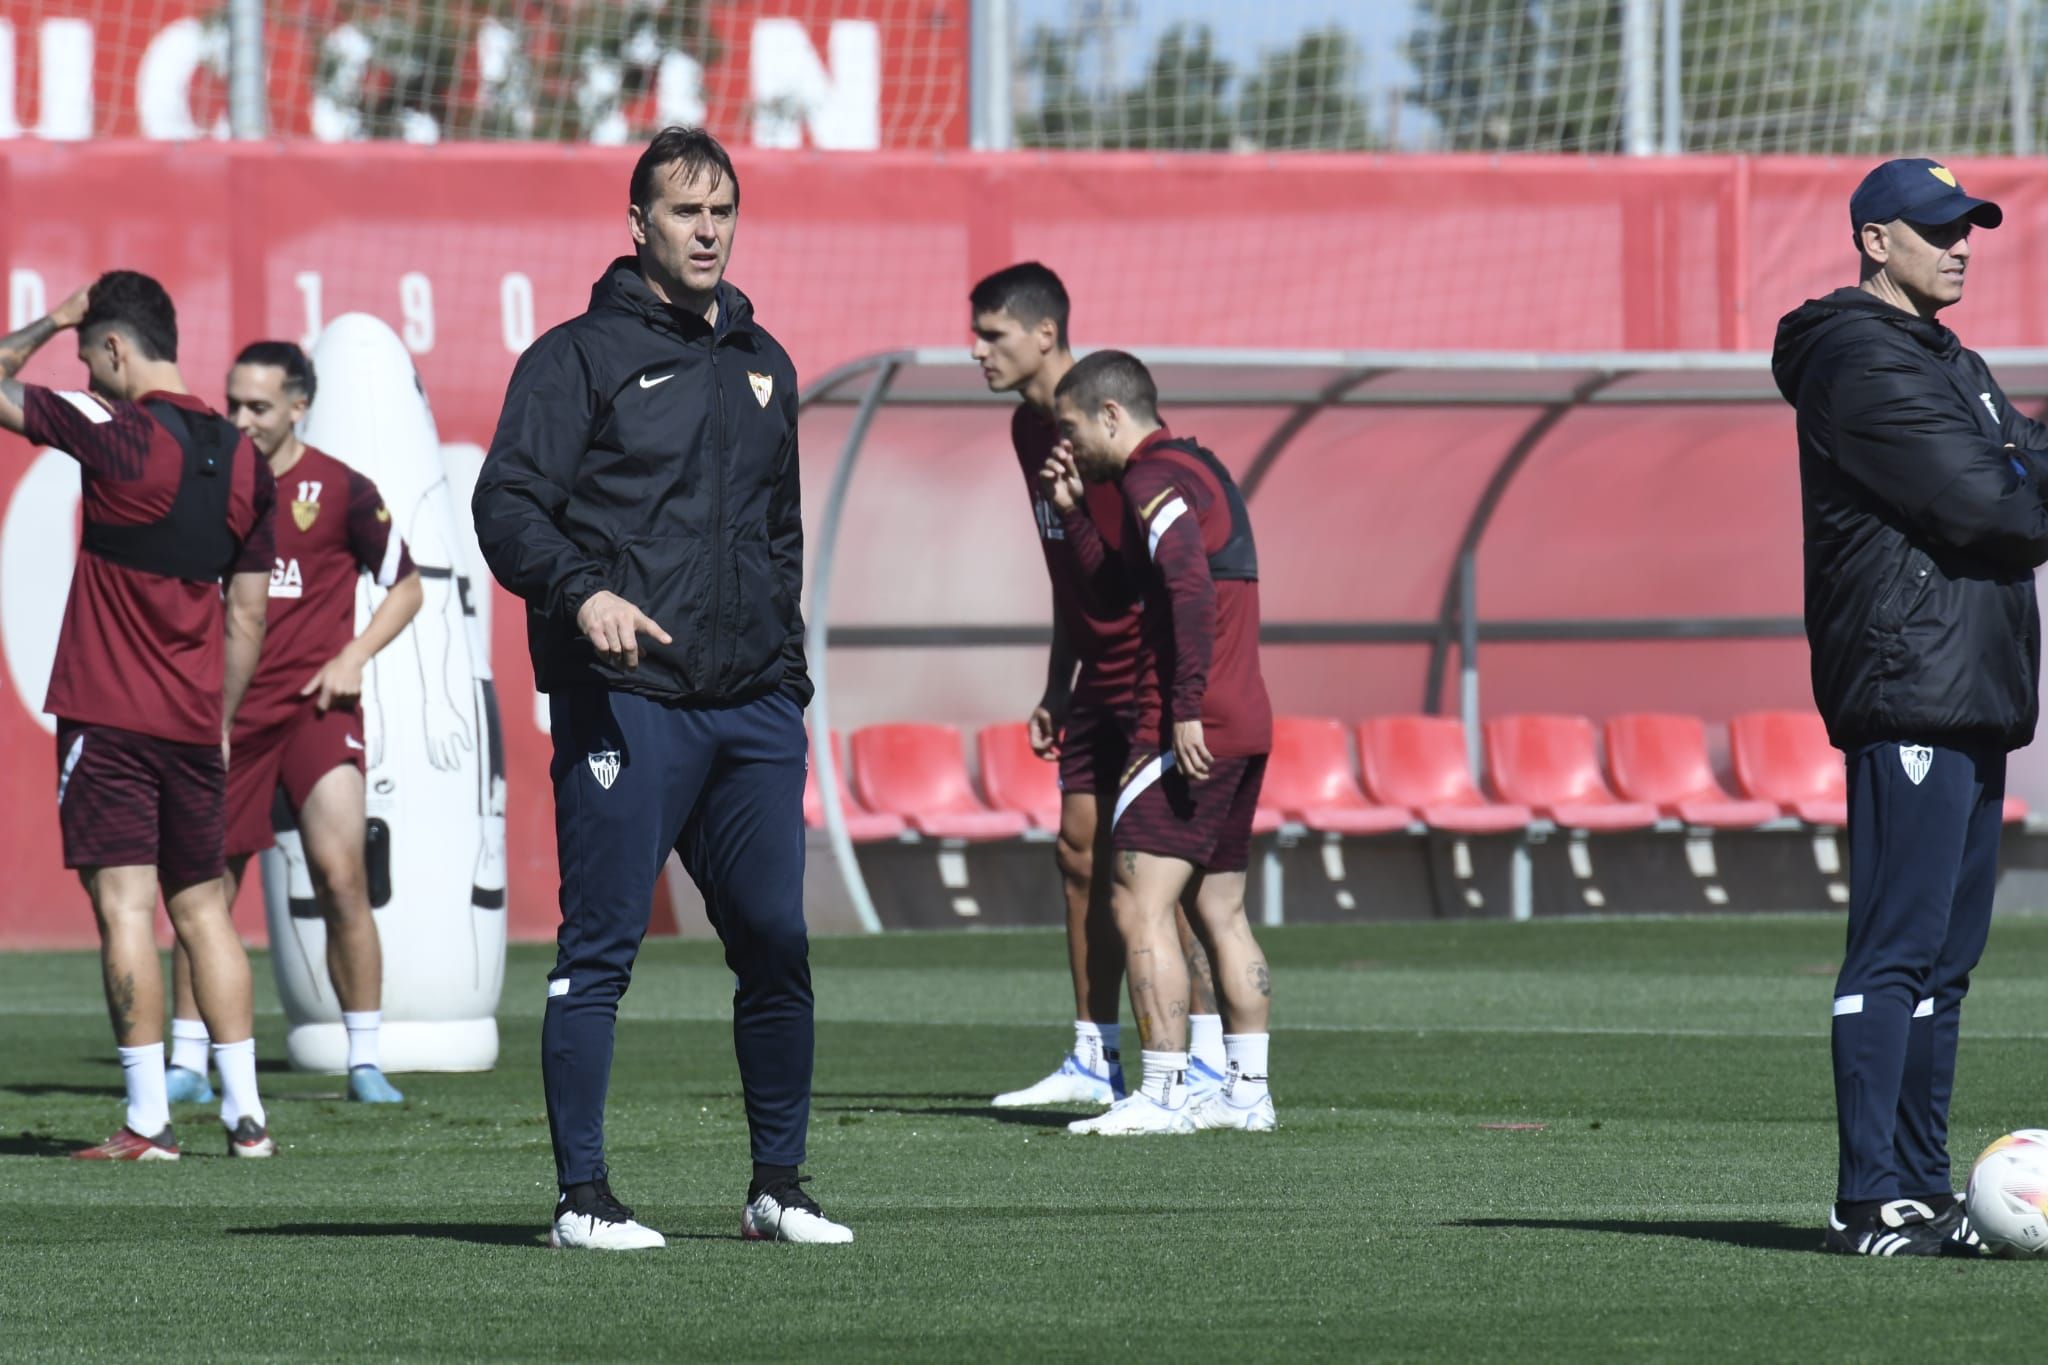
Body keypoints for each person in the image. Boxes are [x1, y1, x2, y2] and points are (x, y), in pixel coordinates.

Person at [473, 126, 848, 1249]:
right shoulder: (575, 357)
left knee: (776, 943)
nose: (706, 229)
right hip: (626, 701)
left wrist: (784, 679)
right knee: (599, 952)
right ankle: (580, 1201)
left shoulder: (764, 362)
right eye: (684, 211)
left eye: (721, 209)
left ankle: (777, 1187)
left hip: (749, 709)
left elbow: (779, 535)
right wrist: (579, 594)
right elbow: (506, 506)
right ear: (635, 223)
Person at [1773, 157, 2048, 1256]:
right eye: (1935, 229)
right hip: (1909, 686)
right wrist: (2014, 474)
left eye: (1968, 227)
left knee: (1943, 963)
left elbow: (2023, 461)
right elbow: (1992, 508)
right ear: (1872, 240)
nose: (1959, 244)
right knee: (1893, 955)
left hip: (1967, 686)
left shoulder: (1951, 362)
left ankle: (1923, 1190)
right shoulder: (1856, 358)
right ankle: (1865, 1195)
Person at [0, 271, 278, 1159]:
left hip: (109, 721)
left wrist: (57, 315)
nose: (86, 371)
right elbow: (247, 616)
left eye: (89, 356)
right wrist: (221, 716)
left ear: (114, 349)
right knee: (204, 912)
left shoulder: (112, 433)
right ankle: (247, 1119)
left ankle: (150, 1121)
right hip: (197, 726)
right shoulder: (246, 458)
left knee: (125, 909)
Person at [970, 263, 1231, 1110]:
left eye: (992, 335)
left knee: (1157, 875)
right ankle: (1093, 1052)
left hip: (1145, 674)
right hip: (1090, 677)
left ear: (1045, 334)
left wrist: (1180, 692)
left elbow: (1151, 573)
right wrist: (1057, 678)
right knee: (1077, 854)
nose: (977, 351)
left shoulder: (1115, 433)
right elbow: (1066, 564)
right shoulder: (1024, 433)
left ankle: (1206, 1057)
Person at [161, 342, 422, 1108]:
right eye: (232, 402)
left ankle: (365, 1057)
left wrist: (353, 655)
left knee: (342, 875)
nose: (239, 418)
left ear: (298, 407)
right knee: (204, 890)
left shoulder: (341, 489)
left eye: (258, 406)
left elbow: (406, 587)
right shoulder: (205, 482)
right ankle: (185, 1060)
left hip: (318, 710)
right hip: (228, 717)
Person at [1044, 350, 1276, 1137]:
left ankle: (1164, 1093)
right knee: (1222, 907)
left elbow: (1186, 583)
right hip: (1245, 716)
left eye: (1073, 427)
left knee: (1136, 902)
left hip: (1193, 724)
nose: (1070, 444)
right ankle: (1249, 1092)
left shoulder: (1150, 477)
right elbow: (1122, 591)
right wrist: (1076, 513)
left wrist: (1181, 707)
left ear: (1113, 414)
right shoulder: (1200, 468)